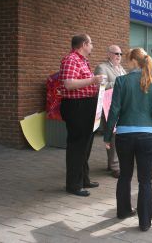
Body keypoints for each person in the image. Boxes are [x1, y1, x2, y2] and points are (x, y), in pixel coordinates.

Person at [103, 48, 152, 231]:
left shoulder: (121, 81)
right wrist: (149, 116)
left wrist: (107, 136)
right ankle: (145, 221)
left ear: (133, 61)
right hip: (147, 135)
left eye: (127, 59)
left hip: (124, 135)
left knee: (125, 175)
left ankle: (123, 211)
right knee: (145, 180)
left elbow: (114, 110)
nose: (125, 62)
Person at [59, 34, 104, 197]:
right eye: (91, 43)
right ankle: (73, 184)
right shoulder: (71, 59)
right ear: (84, 44)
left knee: (86, 145)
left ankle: (83, 179)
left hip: (87, 105)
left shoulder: (83, 61)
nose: (92, 46)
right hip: (77, 107)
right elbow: (69, 84)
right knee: (77, 146)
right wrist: (93, 80)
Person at [95, 45, 127, 178]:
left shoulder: (121, 69)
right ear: (109, 54)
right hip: (108, 106)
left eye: (120, 54)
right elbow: (100, 85)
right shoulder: (102, 67)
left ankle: (113, 163)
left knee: (119, 134)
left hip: (122, 106)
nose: (118, 56)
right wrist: (118, 83)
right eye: (116, 54)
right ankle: (114, 166)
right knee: (112, 135)